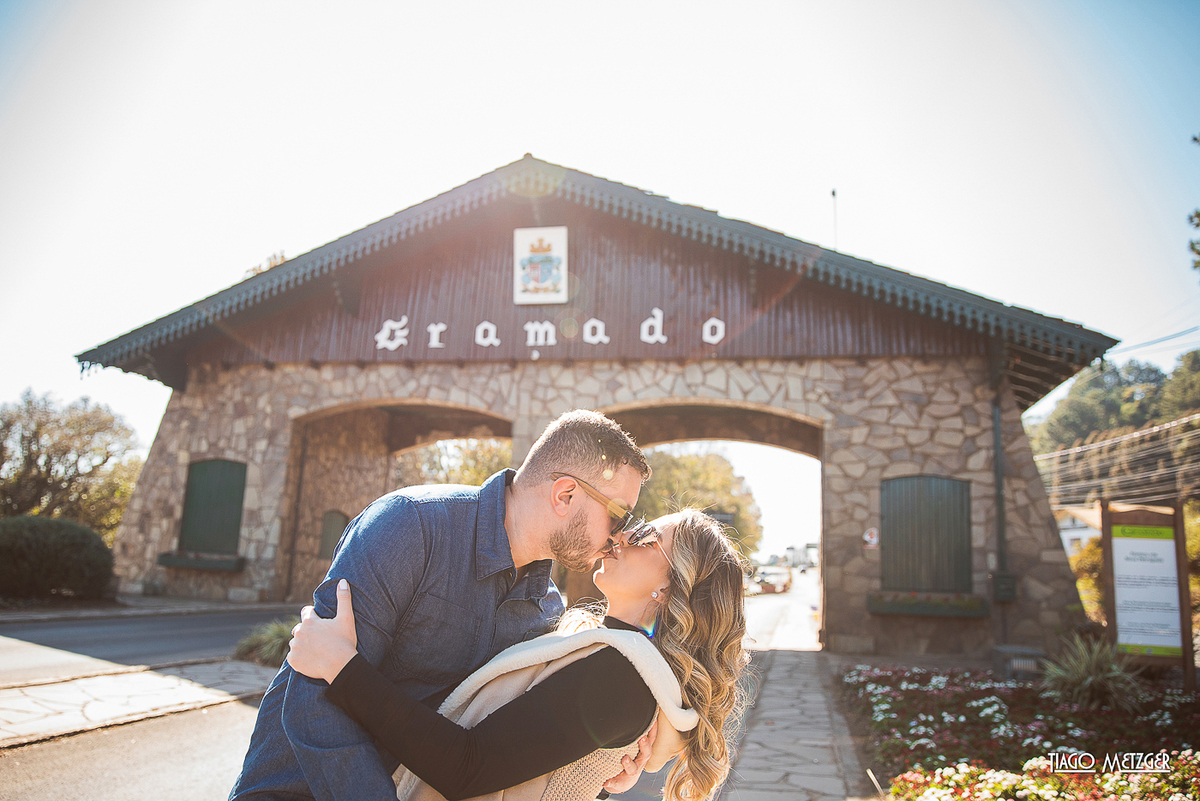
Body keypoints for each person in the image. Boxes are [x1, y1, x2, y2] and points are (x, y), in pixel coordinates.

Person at [230, 410, 652, 801]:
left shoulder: (546, 611)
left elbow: (506, 749)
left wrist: (605, 764)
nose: (622, 536)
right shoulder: (409, 527)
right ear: (564, 495)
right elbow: (312, 692)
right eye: (620, 516)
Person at [288, 509, 750, 801]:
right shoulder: (606, 655)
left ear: (669, 587)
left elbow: (467, 768)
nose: (620, 537)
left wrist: (341, 668)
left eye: (647, 535)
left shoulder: (622, 676)